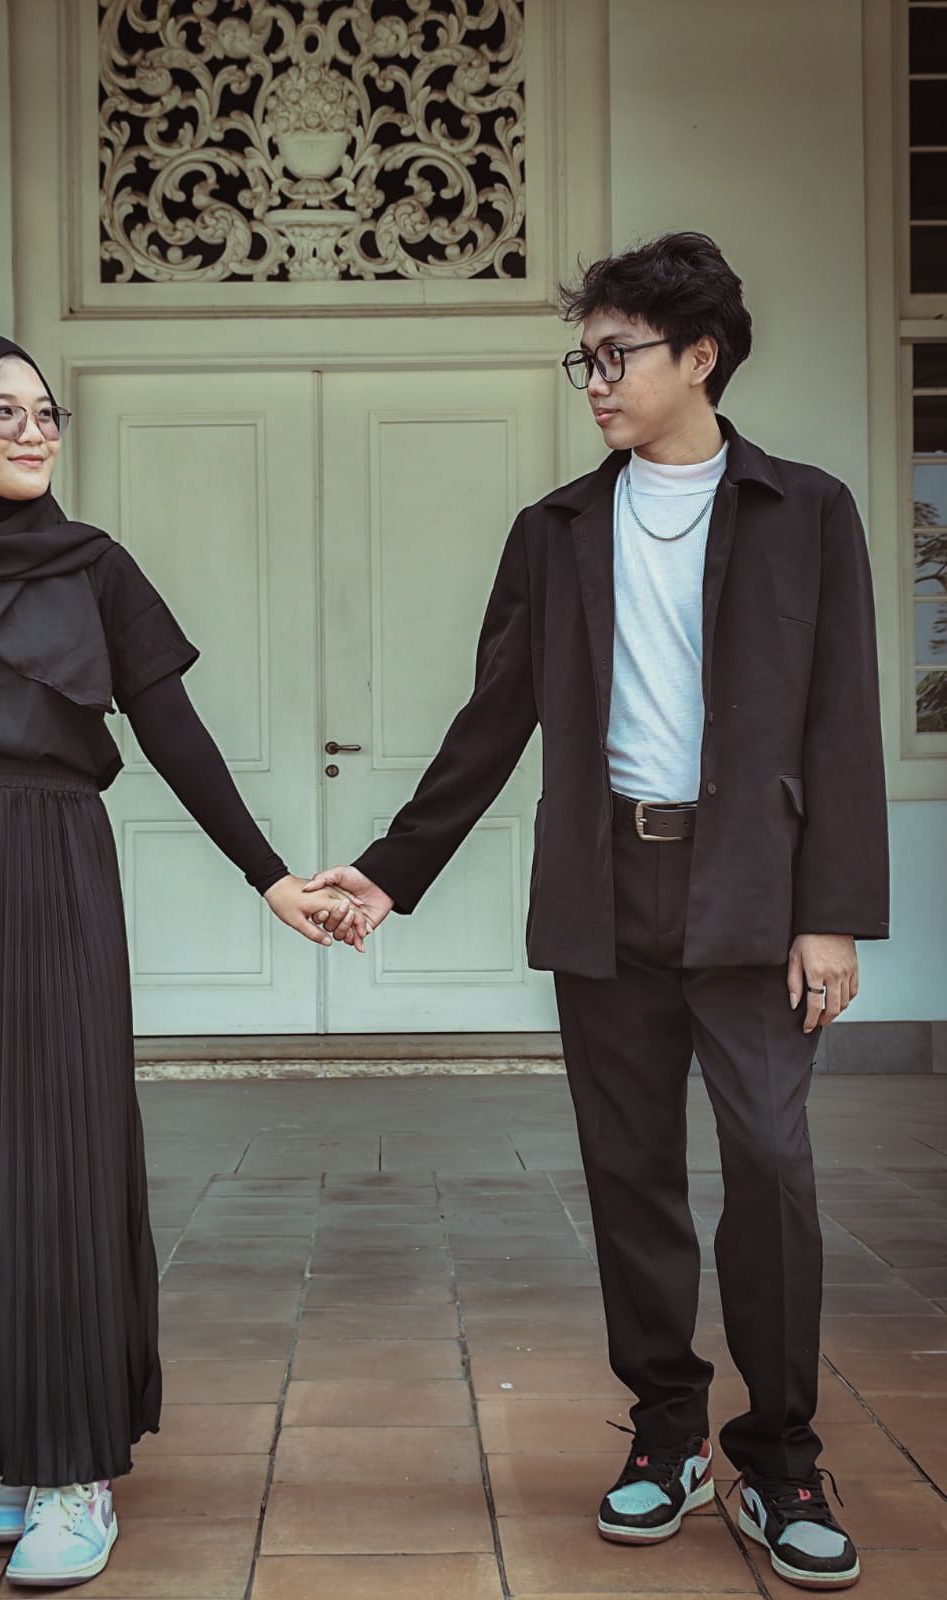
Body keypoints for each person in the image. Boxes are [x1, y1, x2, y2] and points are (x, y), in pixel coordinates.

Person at [308, 233, 888, 1592]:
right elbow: (494, 717)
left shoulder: (807, 512)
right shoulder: (557, 530)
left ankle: (783, 1457)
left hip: (755, 895)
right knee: (630, 1176)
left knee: (771, 1166)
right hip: (605, 888)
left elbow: (842, 721)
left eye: (617, 356)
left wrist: (834, 915)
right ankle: (668, 1431)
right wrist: (390, 870)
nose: (597, 382)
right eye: (585, 360)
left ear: (702, 356)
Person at [0, 331, 363, 1589]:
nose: (35, 429)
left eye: (46, 410)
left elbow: (177, 736)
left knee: (54, 1151)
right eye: (3, 411)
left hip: (51, 873)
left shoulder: (96, 570)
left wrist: (271, 877)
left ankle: (70, 1464)